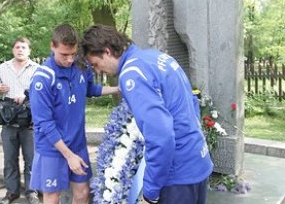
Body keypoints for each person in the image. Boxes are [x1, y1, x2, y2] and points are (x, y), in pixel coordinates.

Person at [81, 24, 213, 204]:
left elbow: (161, 136)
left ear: (107, 51)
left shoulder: (132, 74)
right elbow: (192, 104)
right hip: (197, 160)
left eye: (96, 64)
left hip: (177, 174)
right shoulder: (156, 57)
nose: (97, 71)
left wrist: (150, 193)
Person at [29, 24, 119, 204]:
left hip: (77, 143)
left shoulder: (82, 65)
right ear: (52, 46)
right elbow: (44, 123)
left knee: (83, 193)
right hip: (52, 148)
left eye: (73, 53)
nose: (70, 59)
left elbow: (90, 88)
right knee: (52, 197)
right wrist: (68, 156)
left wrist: (118, 89)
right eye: (64, 54)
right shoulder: (43, 78)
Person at [0, 37, 40, 204]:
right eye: (17, 47)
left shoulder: (37, 69)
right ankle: (11, 192)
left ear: (29, 51)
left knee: (31, 158)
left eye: (24, 47)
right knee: (9, 158)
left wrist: (27, 96)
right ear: (13, 50)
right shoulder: (3, 67)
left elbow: (43, 91)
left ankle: (31, 191)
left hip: (29, 117)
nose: (20, 50)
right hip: (9, 117)